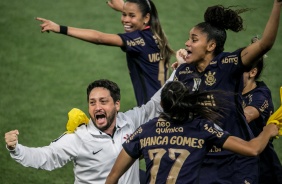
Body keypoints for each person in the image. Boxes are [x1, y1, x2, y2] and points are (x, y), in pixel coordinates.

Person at [172, 1, 282, 183]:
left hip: (236, 160)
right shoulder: (183, 72)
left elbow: (264, 45)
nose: (186, 43)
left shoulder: (227, 64)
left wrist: (277, 4)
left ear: (211, 46)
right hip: (203, 159)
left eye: (194, 39)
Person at [4, 72, 175, 184]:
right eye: (92, 102)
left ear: (117, 104)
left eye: (103, 101)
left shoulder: (130, 121)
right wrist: (16, 149)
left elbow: (155, 104)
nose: (97, 107)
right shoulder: (79, 138)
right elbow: (46, 156)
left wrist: (180, 69)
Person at [104, 81, 279, 184]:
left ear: (162, 106)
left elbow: (113, 177)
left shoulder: (145, 130)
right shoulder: (201, 127)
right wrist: (269, 129)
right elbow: (252, 149)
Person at [36, 0, 174, 106]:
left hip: (152, 111)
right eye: (124, 14)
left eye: (131, 15)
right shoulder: (155, 34)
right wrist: (124, 8)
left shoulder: (138, 40)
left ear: (146, 18)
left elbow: (99, 38)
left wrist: (59, 28)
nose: (125, 19)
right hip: (164, 103)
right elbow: (141, 11)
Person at [242, 36, 282, 184]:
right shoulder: (234, 89)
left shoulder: (260, 95)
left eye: (238, 70)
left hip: (263, 167)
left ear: (252, 73)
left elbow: (246, 115)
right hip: (241, 162)